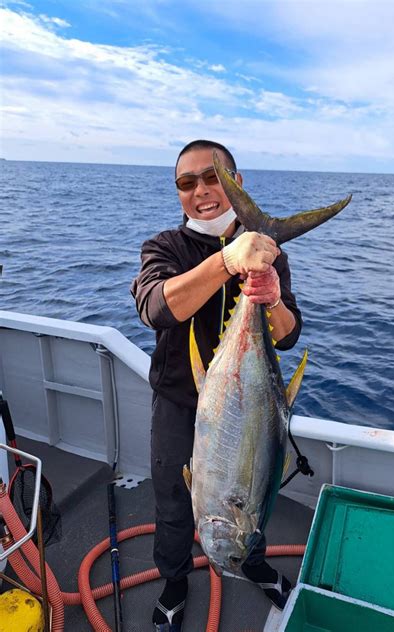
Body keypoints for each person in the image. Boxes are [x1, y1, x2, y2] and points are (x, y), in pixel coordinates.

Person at [131, 139, 302, 631]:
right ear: (179, 191)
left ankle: (253, 561)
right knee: (172, 497)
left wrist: (271, 299)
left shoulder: (267, 249)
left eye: (213, 178)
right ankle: (175, 582)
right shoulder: (165, 247)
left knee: (253, 485)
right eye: (187, 183)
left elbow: (289, 336)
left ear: (236, 183)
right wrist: (229, 260)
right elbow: (156, 308)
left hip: (252, 407)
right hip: (182, 403)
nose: (201, 191)